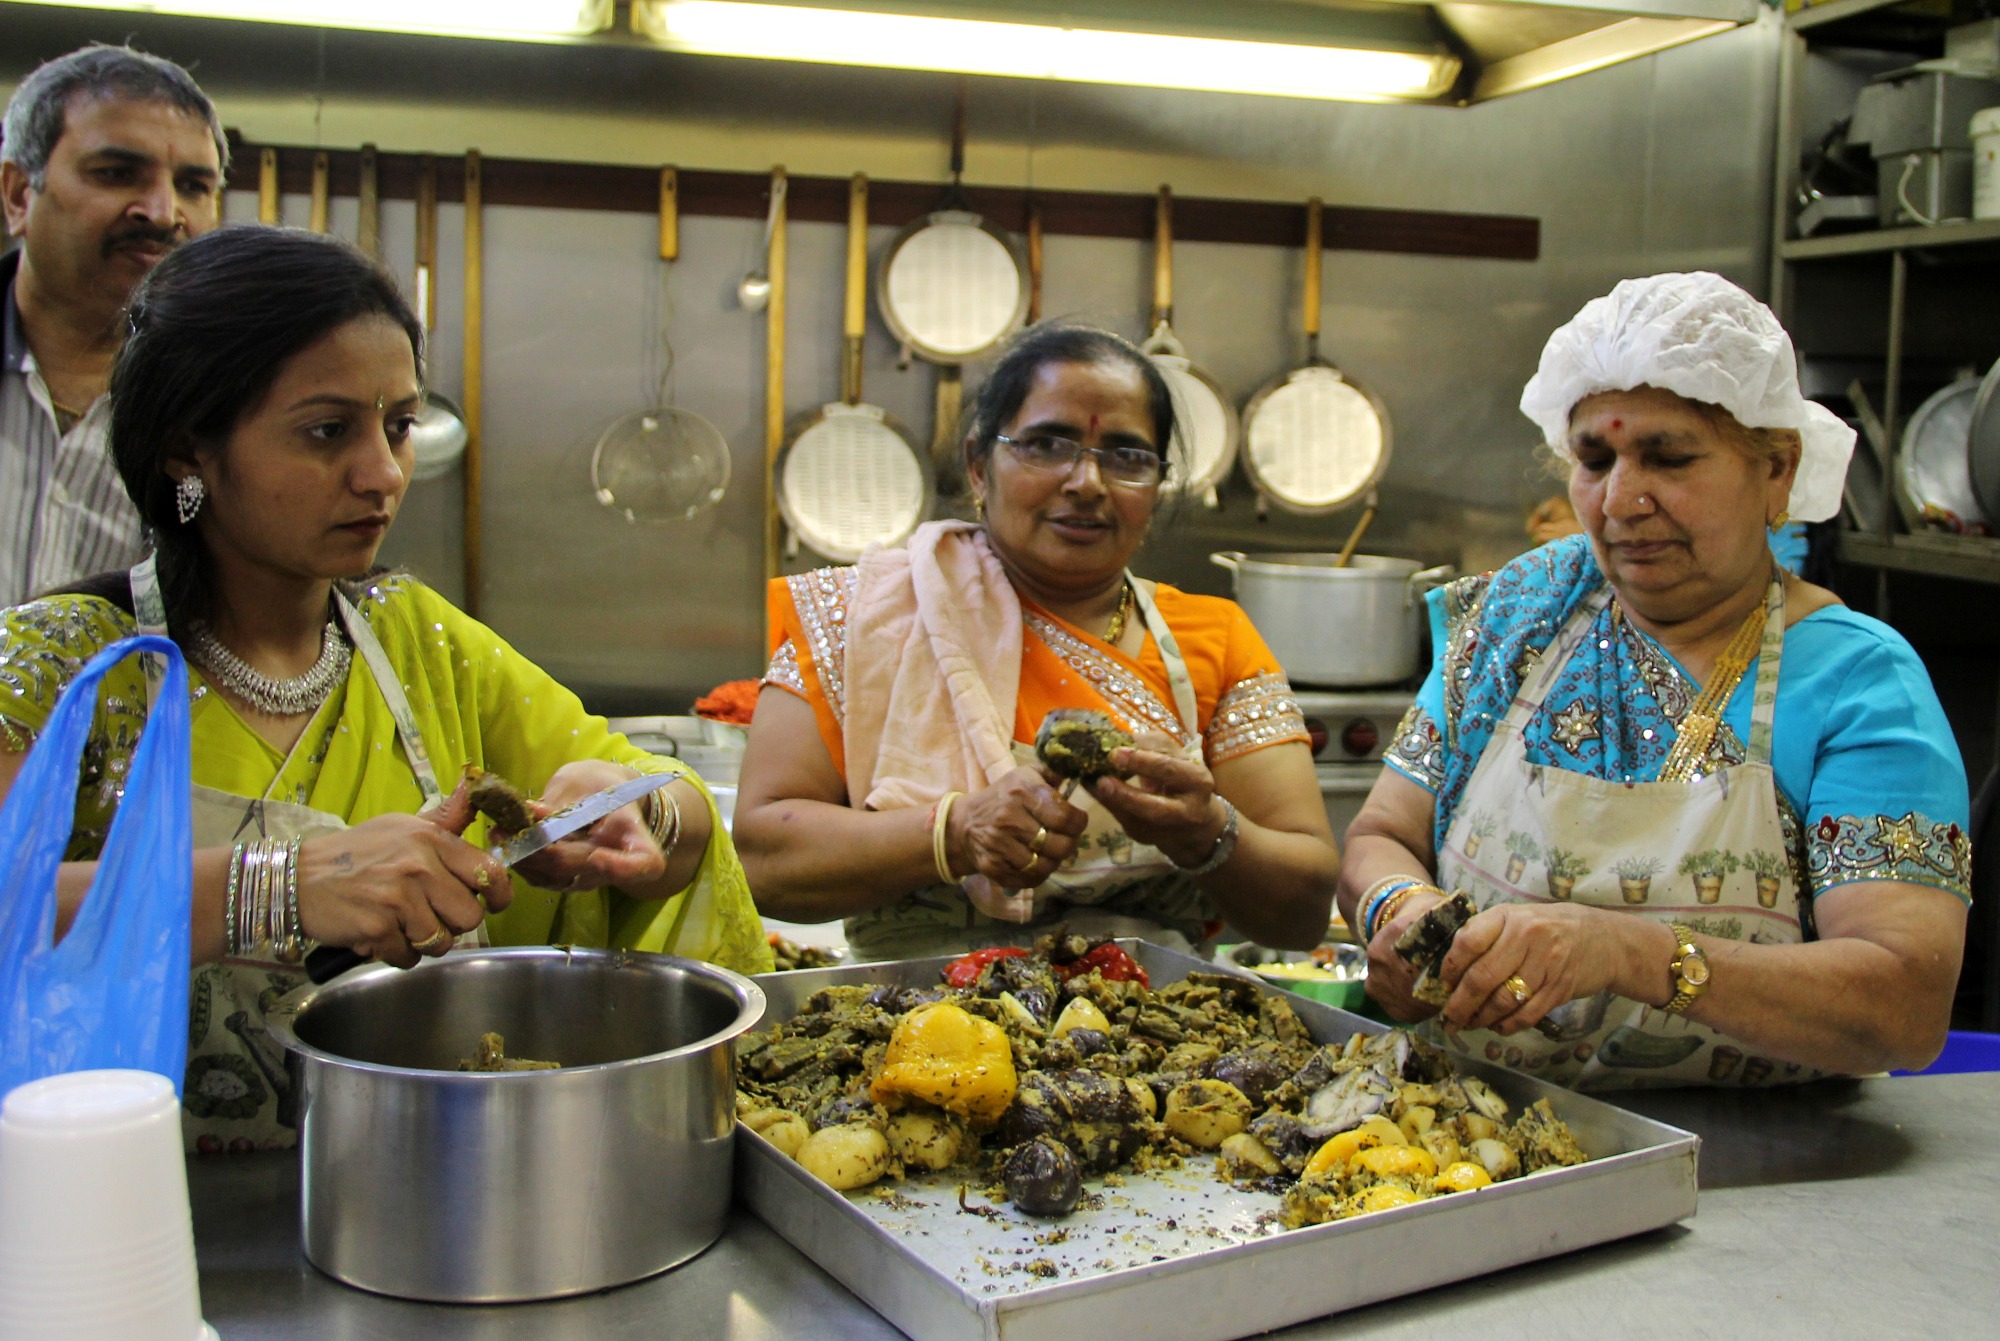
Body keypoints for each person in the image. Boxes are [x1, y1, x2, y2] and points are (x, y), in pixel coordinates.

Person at [0, 227, 769, 1150]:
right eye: (327, 431)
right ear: (185, 448)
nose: (383, 474)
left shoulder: (419, 643)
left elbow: (673, 805)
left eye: (398, 426)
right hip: (124, 1209)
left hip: (412, 1191)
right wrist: (283, 884)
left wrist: (642, 819)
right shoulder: (67, 667)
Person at [1342, 272, 1968, 1088]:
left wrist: (1631, 953)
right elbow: (1382, 835)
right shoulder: (1519, 616)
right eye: (1594, 459)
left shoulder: (1858, 683)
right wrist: (1398, 908)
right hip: (1468, 1134)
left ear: (1777, 470)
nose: (1621, 500)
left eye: (1668, 458)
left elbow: (1904, 1007)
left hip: (1764, 1155)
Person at [736, 322, 1339, 962]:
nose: (1087, 482)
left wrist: (1209, 832)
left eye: (1127, 457)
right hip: (913, 1013)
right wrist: (953, 833)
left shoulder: (1214, 639)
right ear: (979, 466)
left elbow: (1303, 914)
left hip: (1161, 1014)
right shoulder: (866, 619)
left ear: (1157, 486)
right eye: (1047, 445)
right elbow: (760, 862)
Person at [2, 44, 224, 607]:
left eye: (193, 186)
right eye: (117, 174)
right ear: (19, 195)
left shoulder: (228, 411)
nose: (162, 212)